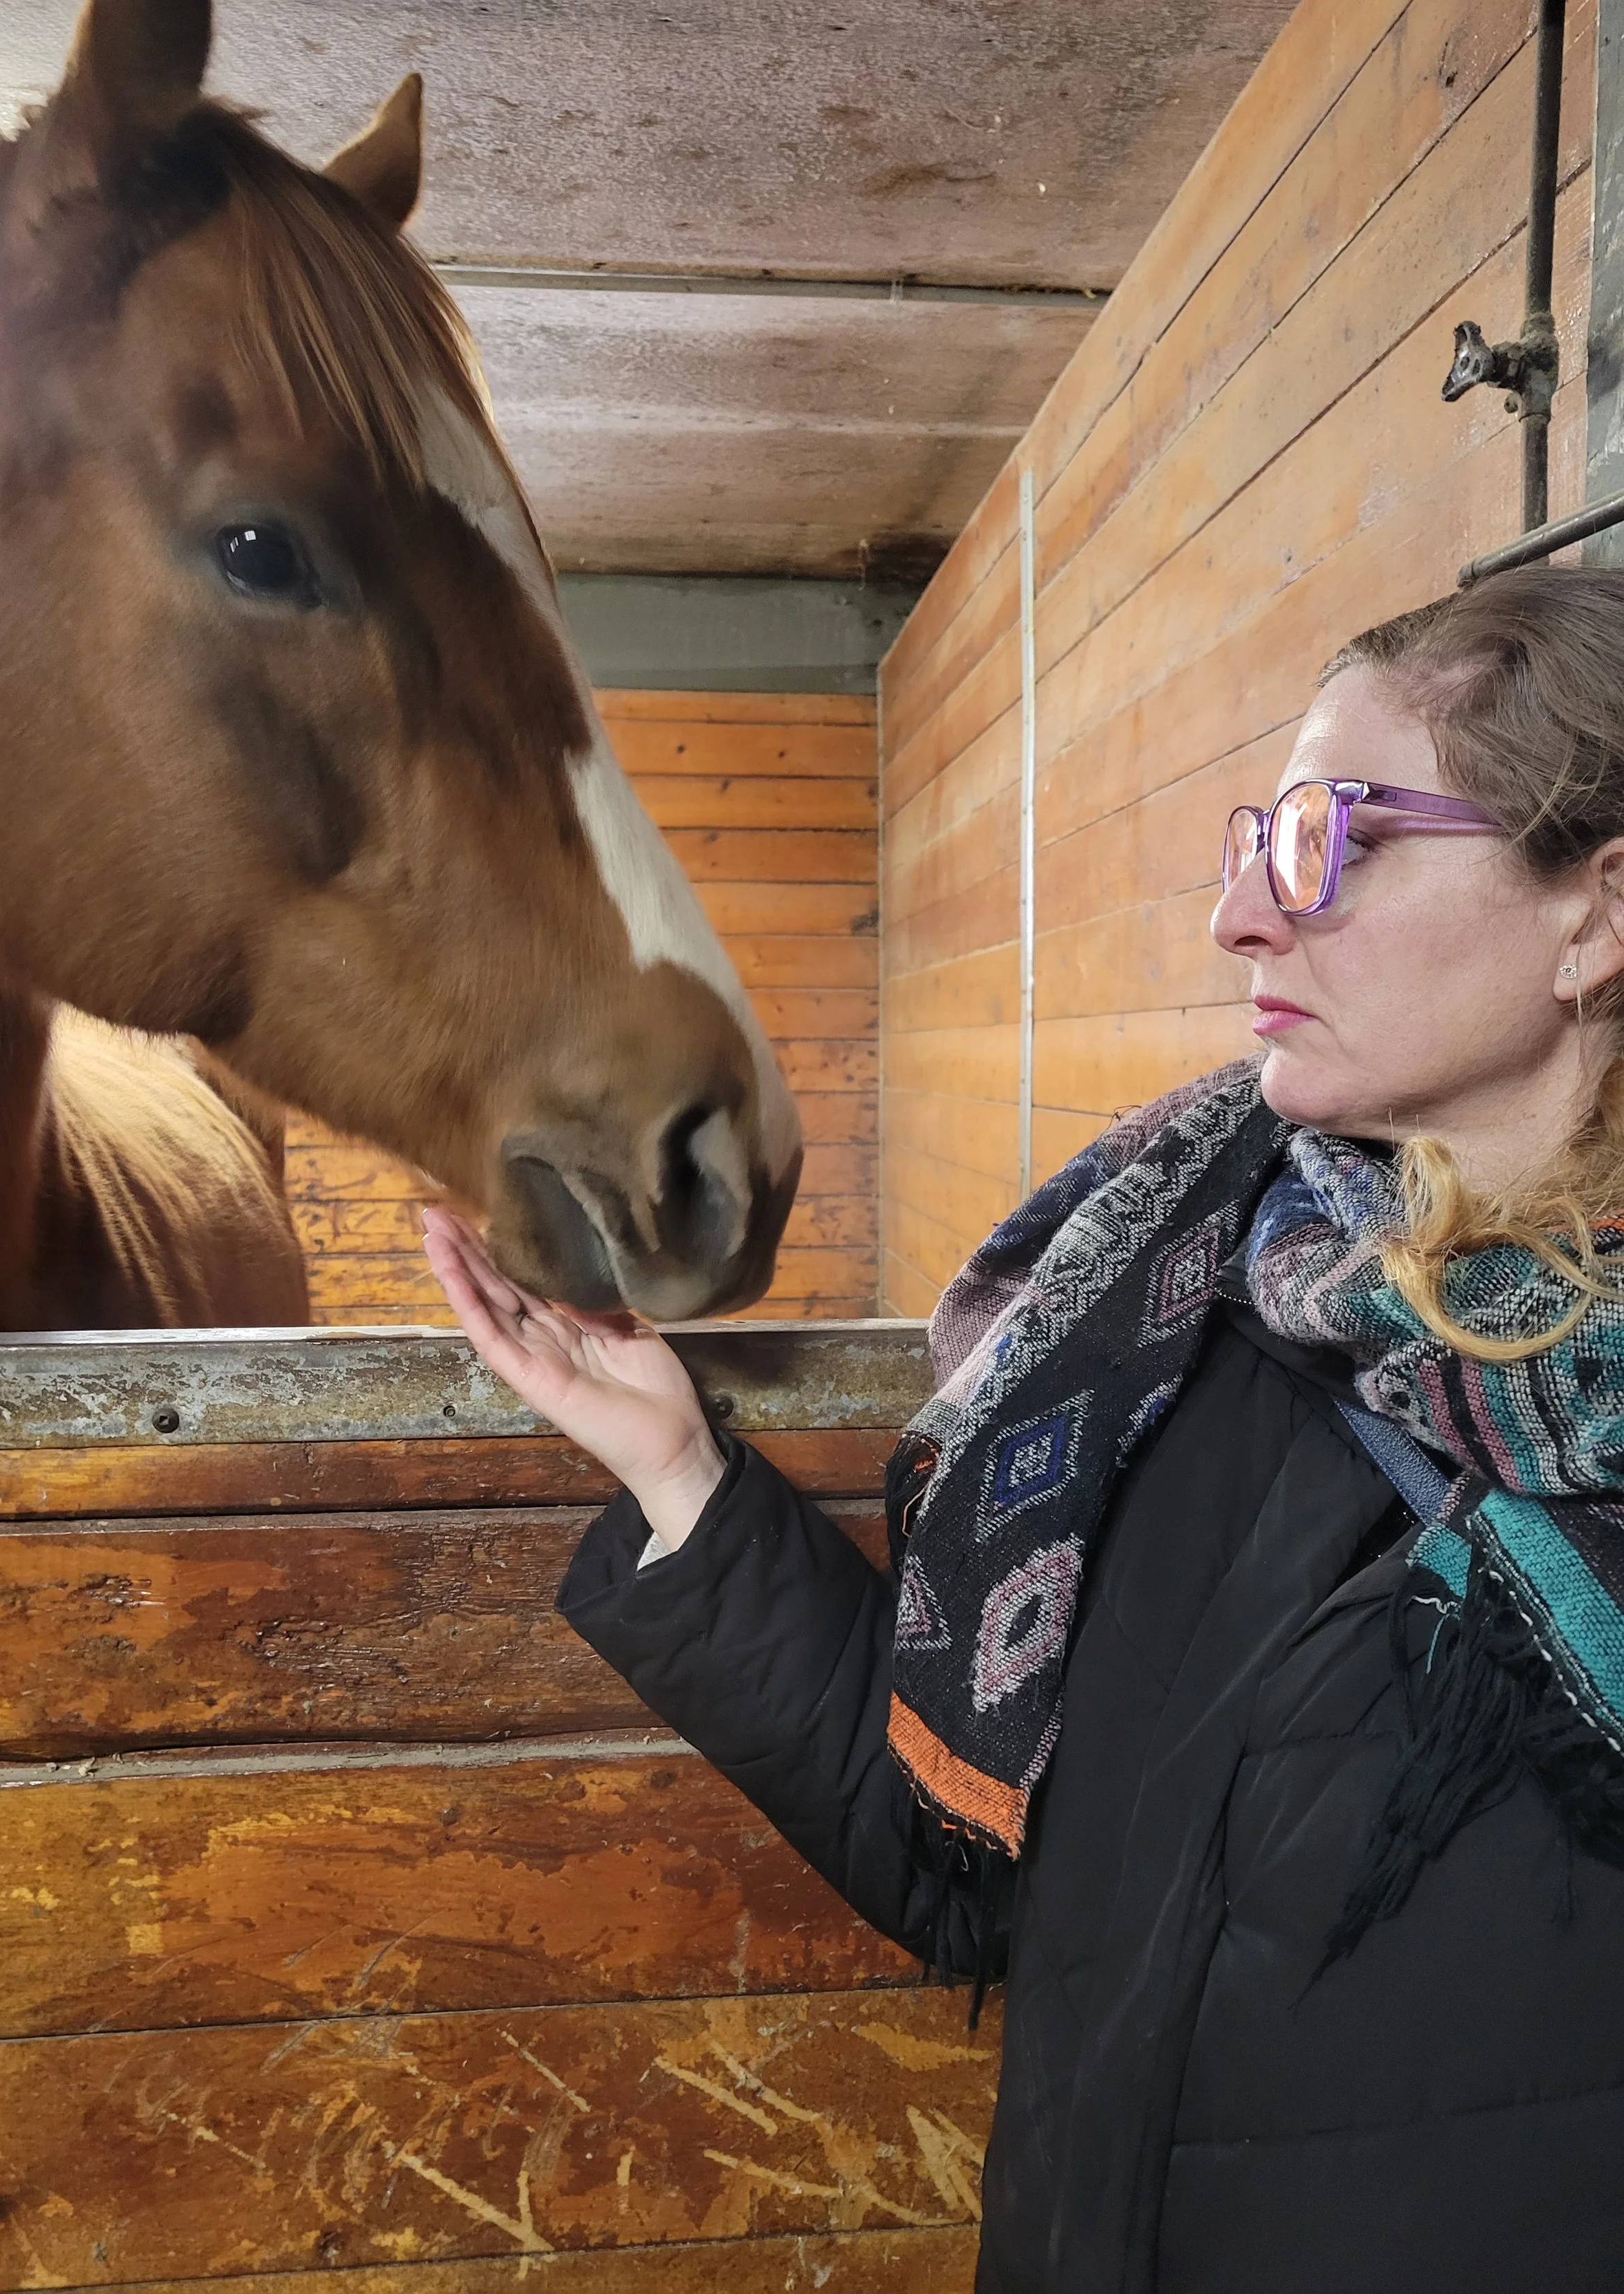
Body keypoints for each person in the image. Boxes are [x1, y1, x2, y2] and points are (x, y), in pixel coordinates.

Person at [424, 564, 1624, 2293]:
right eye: (1249, 843)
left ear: (1589, 918)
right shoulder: (1188, 1315)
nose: (1237, 918)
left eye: (1328, 839)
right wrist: (681, 1476)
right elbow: (979, 1886)